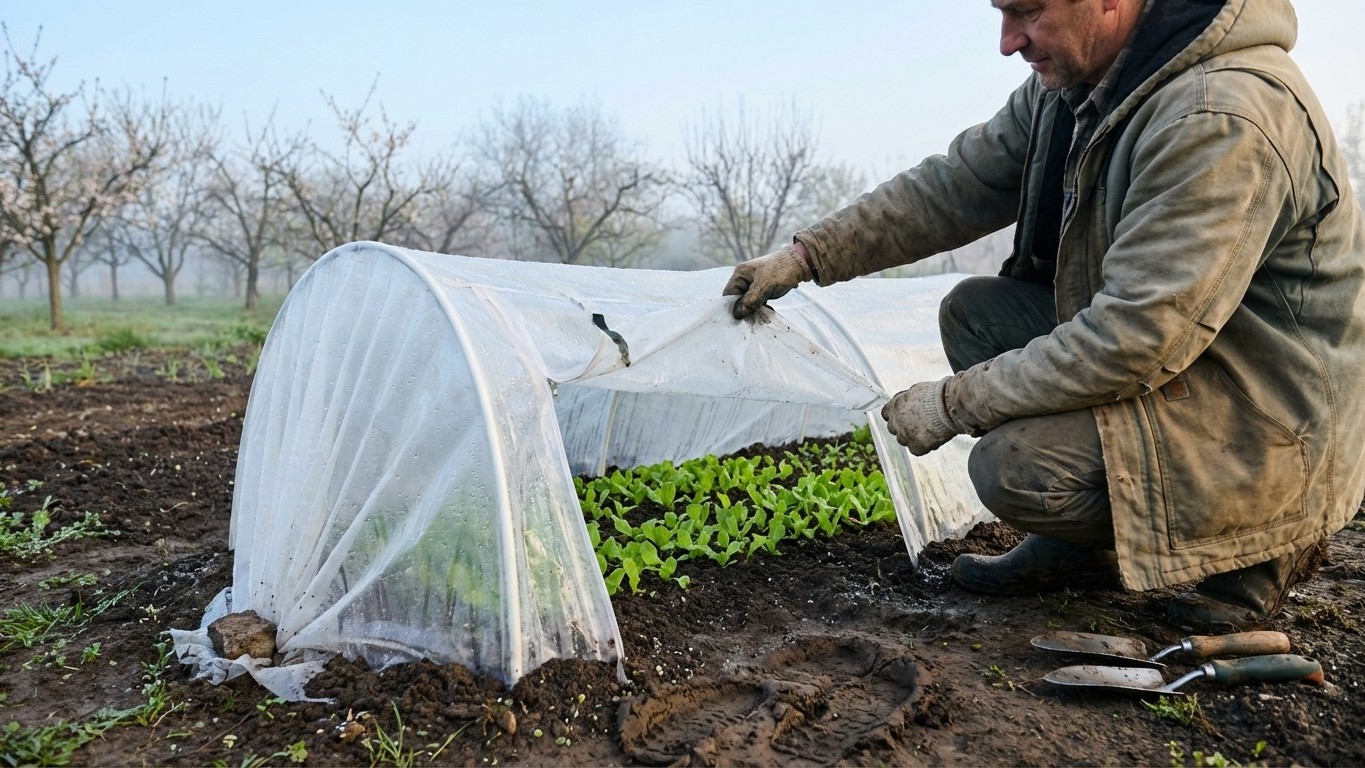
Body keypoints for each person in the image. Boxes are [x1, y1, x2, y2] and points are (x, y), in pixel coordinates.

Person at [724, 0, 1365, 632]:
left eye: (1027, 11)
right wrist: (808, 255)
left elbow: (1132, 338)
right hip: (1185, 360)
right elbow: (956, 185)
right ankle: (1080, 550)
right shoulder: (1084, 87)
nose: (1008, 41)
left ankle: (1264, 545)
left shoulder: (1219, 115)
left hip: (1266, 411)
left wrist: (954, 403)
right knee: (978, 315)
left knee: (1015, 469)